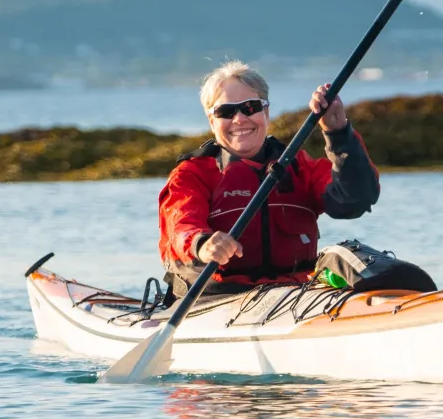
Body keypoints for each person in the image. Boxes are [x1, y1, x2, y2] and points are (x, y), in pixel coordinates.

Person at [157, 61, 380, 299]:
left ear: (266, 112)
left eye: (250, 107)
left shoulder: (299, 167)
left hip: (295, 295)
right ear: (212, 121)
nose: (240, 119)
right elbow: (181, 226)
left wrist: (338, 132)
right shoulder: (192, 174)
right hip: (217, 298)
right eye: (226, 112)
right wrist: (202, 244)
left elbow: (355, 200)